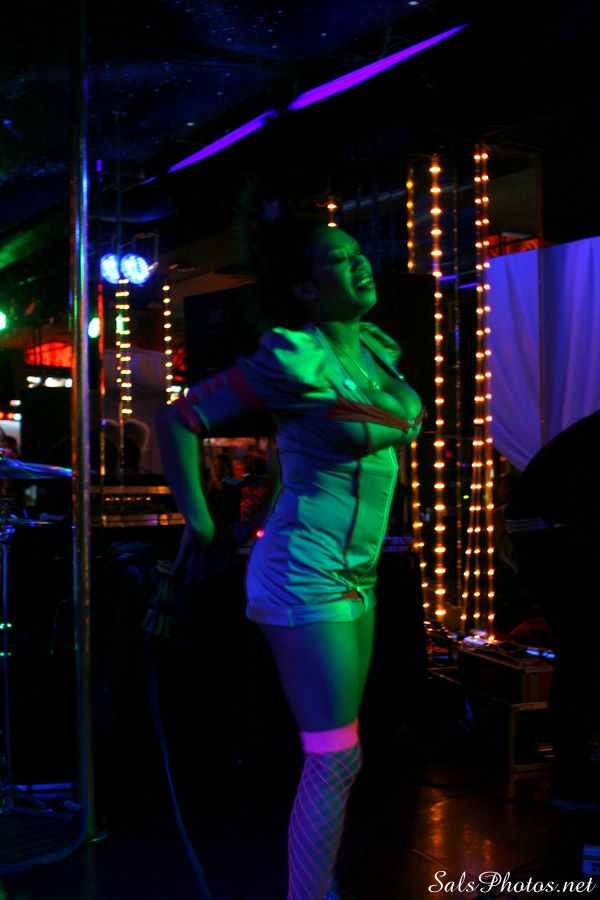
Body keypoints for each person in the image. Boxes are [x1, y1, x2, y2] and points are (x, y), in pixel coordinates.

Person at [155, 183, 423, 899]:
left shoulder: (373, 351)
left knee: (343, 753)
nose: (359, 263)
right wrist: (200, 520)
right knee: (333, 757)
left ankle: (318, 880)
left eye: (357, 252)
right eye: (337, 259)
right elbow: (179, 419)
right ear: (305, 288)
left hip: (356, 573)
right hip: (303, 573)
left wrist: (384, 409)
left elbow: (398, 414)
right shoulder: (292, 358)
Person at [505, 409, 600, 810]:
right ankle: (572, 781)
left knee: (579, 659)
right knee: (581, 659)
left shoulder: (586, 436)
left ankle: (572, 777)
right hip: (555, 539)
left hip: (551, 536)